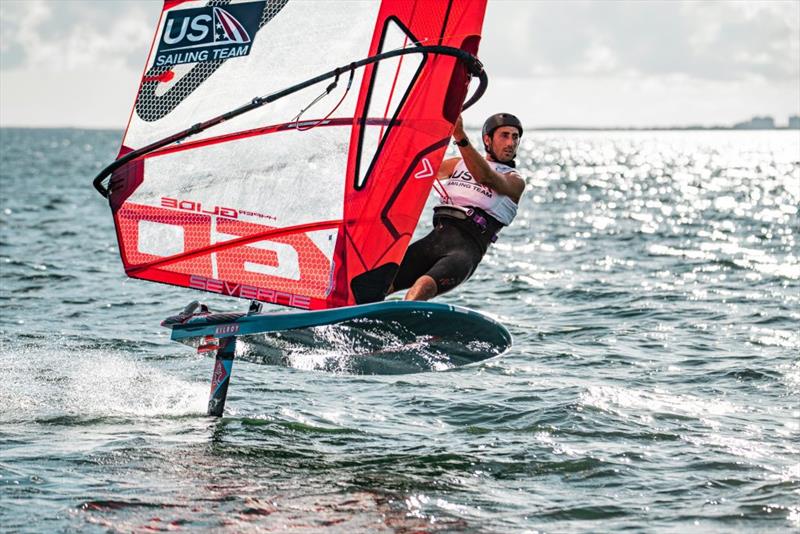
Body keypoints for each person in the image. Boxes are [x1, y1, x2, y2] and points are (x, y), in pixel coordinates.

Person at [390, 113, 525, 301]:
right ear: (487, 139)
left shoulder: (514, 180)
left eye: (515, 136)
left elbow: (485, 177)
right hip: (434, 240)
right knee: (381, 279)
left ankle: (404, 324)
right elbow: (415, 172)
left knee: (423, 286)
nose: (511, 142)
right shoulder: (457, 164)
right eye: (505, 135)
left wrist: (459, 135)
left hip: (463, 253)